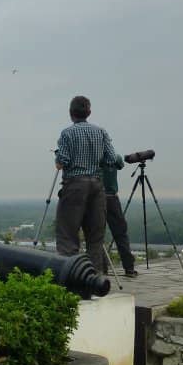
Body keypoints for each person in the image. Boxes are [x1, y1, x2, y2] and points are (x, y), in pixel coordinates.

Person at [54, 95, 117, 274]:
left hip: (74, 185)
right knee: (95, 237)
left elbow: (62, 161)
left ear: (71, 113)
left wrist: (58, 157)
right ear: (89, 112)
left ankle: (70, 276)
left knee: (67, 236)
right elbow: (112, 159)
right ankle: (95, 278)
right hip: (96, 185)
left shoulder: (67, 133)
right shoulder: (101, 132)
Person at [101, 156, 138, 278]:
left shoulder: (92, 155)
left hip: (96, 198)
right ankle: (129, 268)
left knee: (97, 235)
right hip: (112, 198)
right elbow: (121, 164)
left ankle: (102, 268)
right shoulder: (114, 156)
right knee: (121, 234)